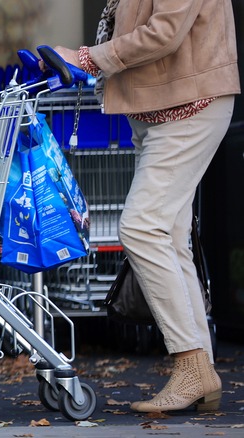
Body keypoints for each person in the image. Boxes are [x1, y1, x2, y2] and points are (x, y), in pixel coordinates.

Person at [51, 0, 240, 413]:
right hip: (161, 107)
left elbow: (164, 32)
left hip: (189, 106)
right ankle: (201, 369)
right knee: (169, 235)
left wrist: (87, 58)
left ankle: (191, 365)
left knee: (141, 227)